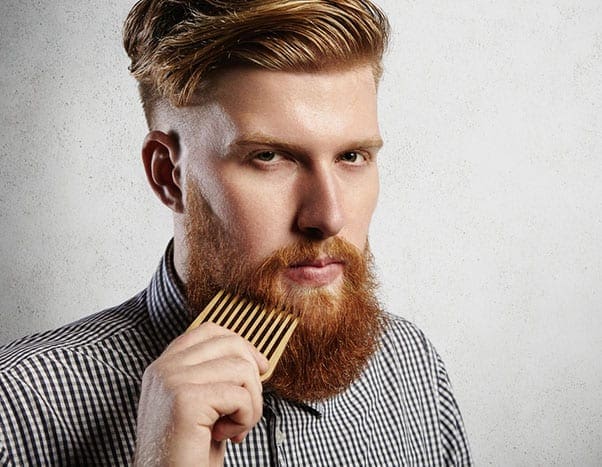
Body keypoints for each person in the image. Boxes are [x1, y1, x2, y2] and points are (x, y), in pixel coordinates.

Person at [0, 0, 472, 465]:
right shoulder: (17, 408)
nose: (328, 217)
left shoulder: (412, 369)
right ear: (169, 174)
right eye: (269, 157)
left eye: (352, 157)